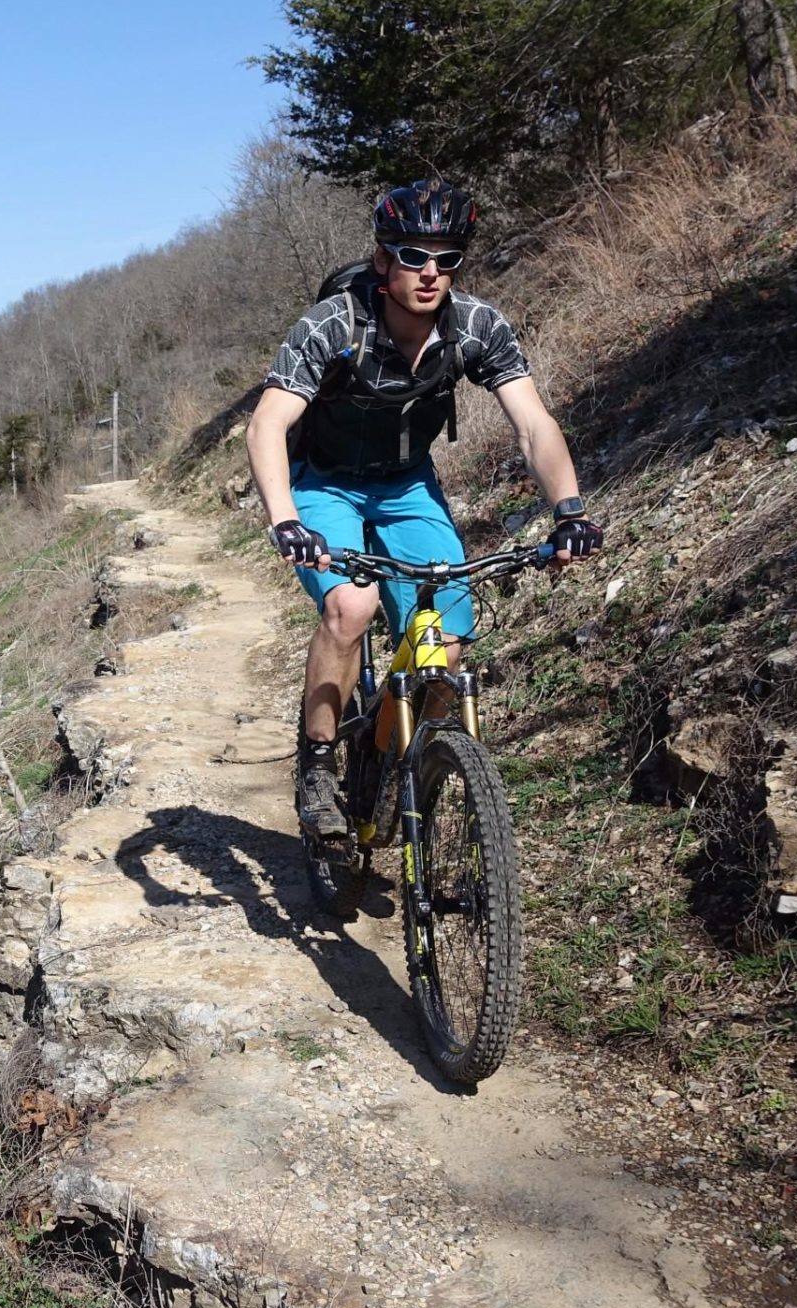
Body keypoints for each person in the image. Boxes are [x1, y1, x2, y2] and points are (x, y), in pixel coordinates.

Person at [244, 180, 603, 839]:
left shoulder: (475, 327)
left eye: (447, 257)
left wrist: (570, 510)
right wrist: (285, 518)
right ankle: (318, 764)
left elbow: (532, 425)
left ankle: (392, 761)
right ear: (382, 260)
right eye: (412, 254)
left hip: (407, 484)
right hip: (323, 482)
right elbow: (267, 425)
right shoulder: (334, 324)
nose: (431, 271)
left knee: (443, 649)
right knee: (350, 607)